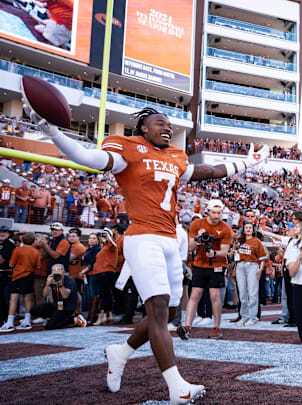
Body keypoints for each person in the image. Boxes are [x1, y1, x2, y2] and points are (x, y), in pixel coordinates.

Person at [26, 103, 268, 403]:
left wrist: (248, 163)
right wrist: (52, 132)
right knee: (155, 311)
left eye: (169, 125)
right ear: (143, 127)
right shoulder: (128, 148)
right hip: (143, 238)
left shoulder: (176, 156)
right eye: (160, 123)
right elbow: (88, 158)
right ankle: (176, 386)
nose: (167, 128)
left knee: (166, 313)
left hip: (169, 238)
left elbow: (209, 171)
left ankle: (121, 352)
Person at [180, 199, 233, 339]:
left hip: (217, 264)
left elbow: (225, 250)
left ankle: (216, 327)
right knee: (195, 295)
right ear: (208, 212)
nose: (216, 216)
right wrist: (198, 238)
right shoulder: (197, 224)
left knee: (214, 296)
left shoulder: (226, 228)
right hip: (200, 264)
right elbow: (190, 248)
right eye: (214, 212)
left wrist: (214, 253)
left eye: (219, 213)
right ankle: (187, 326)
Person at [0, 232, 40, 332]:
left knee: (13, 299)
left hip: (18, 276)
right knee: (28, 298)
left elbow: (11, 264)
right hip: (30, 275)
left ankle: (9, 322)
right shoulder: (35, 251)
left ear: (22, 240)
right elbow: (38, 265)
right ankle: (27, 321)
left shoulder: (17, 250)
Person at [231, 222, 267, 326]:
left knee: (252, 292)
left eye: (250, 228)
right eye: (246, 227)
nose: (248, 229)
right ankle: (244, 316)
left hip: (252, 265)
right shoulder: (239, 241)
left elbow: (262, 257)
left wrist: (260, 269)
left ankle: (253, 317)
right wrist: (235, 247)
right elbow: (233, 254)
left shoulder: (257, 241)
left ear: (253, 230)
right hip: (240, 265)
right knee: (242, 293)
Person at [30, 264, 82, 329]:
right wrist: (47, 284)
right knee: (34, 310)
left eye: (59, 271)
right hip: (56, 306)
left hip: (67, 308)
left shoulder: (70, 280)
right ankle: (53, 318)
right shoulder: (52, 279)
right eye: (54, 272)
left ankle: (73, 320)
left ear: (64, 272)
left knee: (49, 326)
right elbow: (44, 295)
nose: (57, 274)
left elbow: (65, 296)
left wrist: (60, 284)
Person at [66, 228, 86, 317]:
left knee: (76, 294)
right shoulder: (70, 246)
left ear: (78, 237)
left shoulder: (78, 247)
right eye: (69, 236)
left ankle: (78, 312)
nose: (71, 238)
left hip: (77, 274)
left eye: (73, 236)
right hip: (71, 274)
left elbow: (68, 259)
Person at [0, 224, 16, 323]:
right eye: (0, 232)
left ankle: (6, 320)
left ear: (9, 234)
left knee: (5, 298)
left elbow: (1, 260)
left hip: (6, 275)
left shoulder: (9, 245)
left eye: (4, 232)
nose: (2, 234)